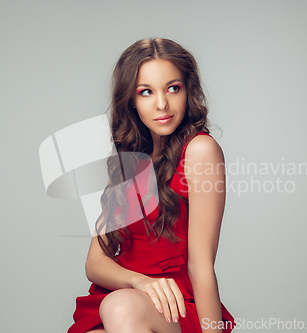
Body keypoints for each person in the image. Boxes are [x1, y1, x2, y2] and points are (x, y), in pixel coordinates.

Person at [67, 37, 236, 333]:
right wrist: (139, 282)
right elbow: (95, 262)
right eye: (146, 92)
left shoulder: (200, 151)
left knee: (119, 307)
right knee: (110, 314)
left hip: (177, 304)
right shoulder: (127, 160)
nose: (162, 104)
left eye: (173, 88)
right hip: (124, 296)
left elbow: (201, 265)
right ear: (131, 101)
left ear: (188, 90)